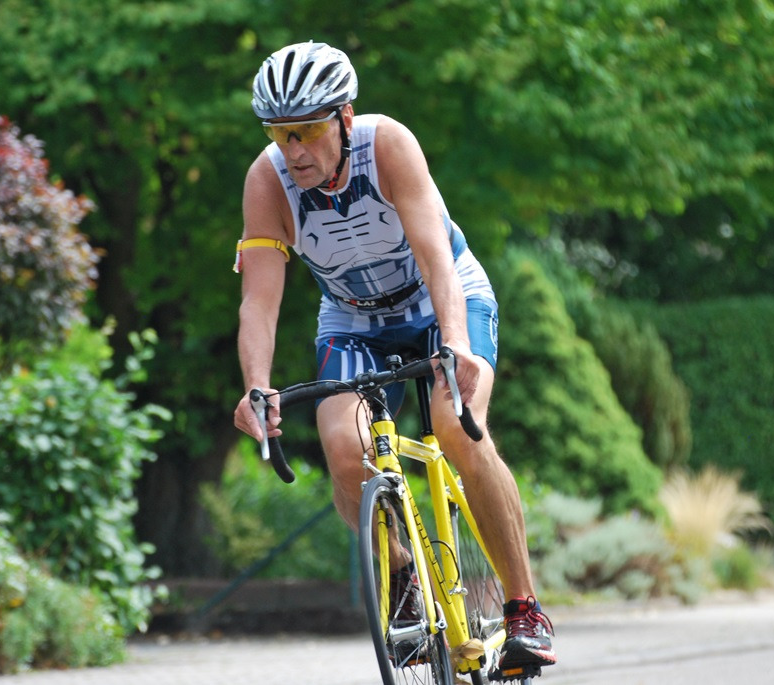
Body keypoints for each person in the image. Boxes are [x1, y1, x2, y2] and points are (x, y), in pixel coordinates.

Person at [232, 41, 556, 676]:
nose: (294, 150)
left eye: (307, 130)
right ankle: (404, 576)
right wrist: (257, 386)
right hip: (353, 318)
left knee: (459, 426)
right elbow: (259, 301)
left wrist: (455, 342)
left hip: (443, 298)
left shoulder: (387, 146)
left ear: (344, 118)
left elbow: (435, 256)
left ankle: (525, 608)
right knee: (344, 446)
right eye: (279, 133)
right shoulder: (267, 182)